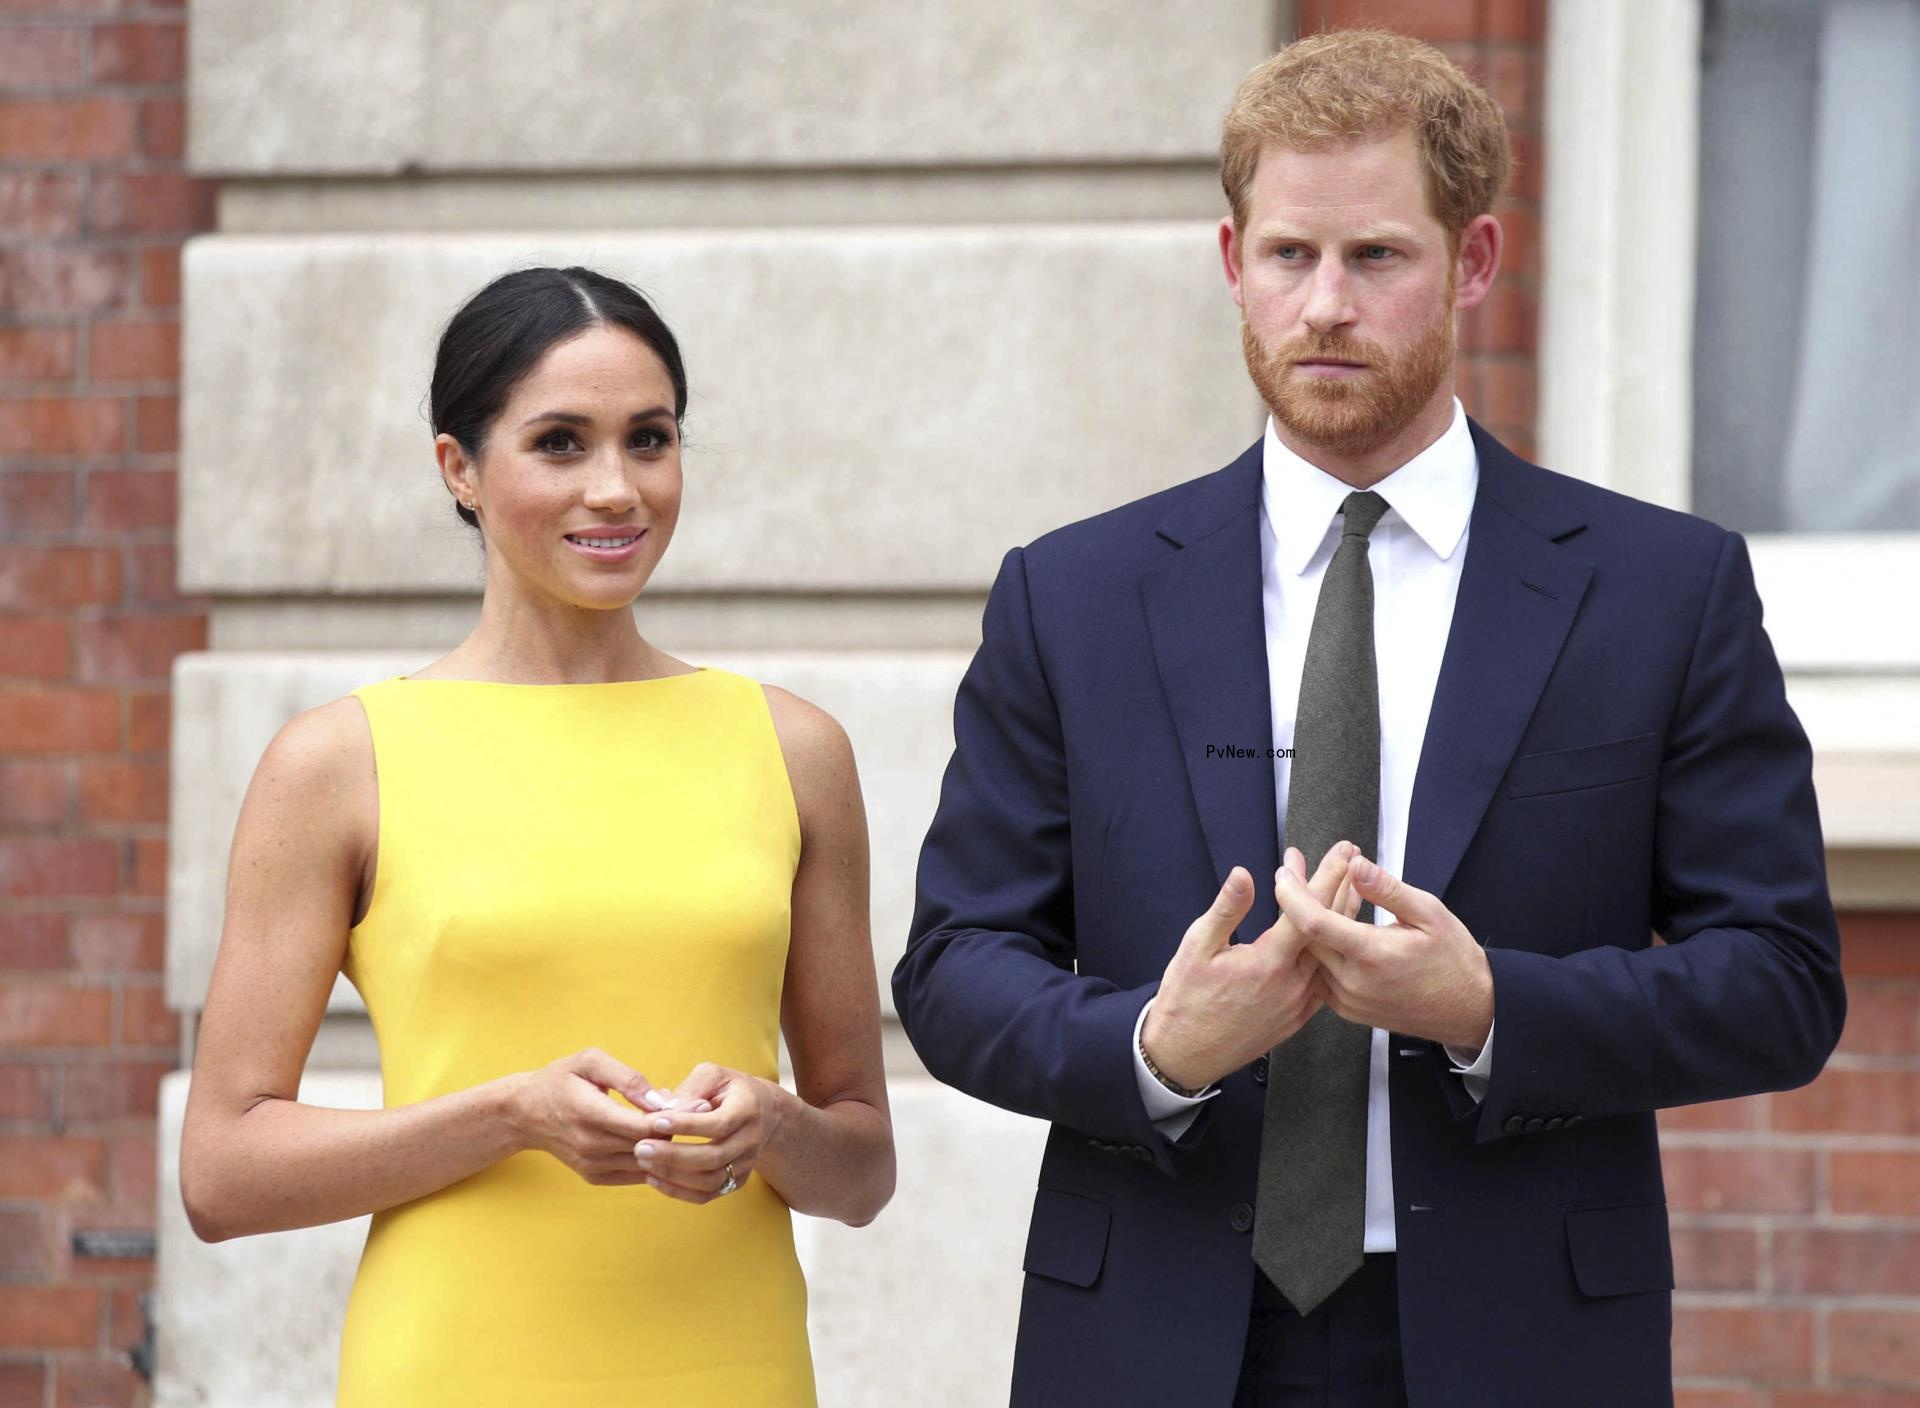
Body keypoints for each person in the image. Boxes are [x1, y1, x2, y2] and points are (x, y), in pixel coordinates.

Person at [894, 30, 1844, 1408]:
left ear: (1470, 262)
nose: (1325, 305)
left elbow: (1779, 981)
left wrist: (1491, 1008)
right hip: (1150, 1332)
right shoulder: (1075, 595)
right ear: (1234, 263)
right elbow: (955, 968)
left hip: (1524, 1338)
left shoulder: (1661, 590)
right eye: (1289, 257)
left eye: (1376, 258)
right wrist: (1154, 1051)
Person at [180, 266, 895, 1407]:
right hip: (455, 1368)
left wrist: (772, 1127)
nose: (616, 488)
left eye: (648, 439)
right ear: (458, 469)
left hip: (733, 1367)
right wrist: (509, 1114)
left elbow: (862, 1166)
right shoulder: (338, 762)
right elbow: (221, 1173)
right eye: (560, 443)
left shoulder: (794, 749)